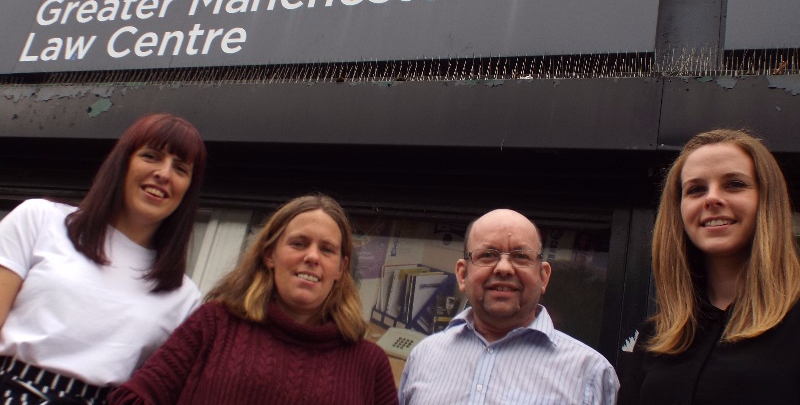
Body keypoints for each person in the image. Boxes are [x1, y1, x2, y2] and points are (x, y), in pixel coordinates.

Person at [108, 194, 399, 405]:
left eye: (327, 250)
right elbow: (131, 398)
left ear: (340, 269)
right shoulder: (214, 325)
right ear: (269, 255)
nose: (312, 257)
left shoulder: (369, 364)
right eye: (298, 243)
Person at [0, 113, 207, 404]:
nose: (164, 173)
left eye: (181, 168)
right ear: (122, 163)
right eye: (151, 156)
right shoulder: (39, 219)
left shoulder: (185, 297)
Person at [619, 129, 800, 404]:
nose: (711, 198)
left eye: (734, 184)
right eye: (695, 189)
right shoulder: (656, 336)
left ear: (767, 200)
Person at [399, 208, 619, 404]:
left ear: (543, 277)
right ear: (462, 274)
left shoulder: (590, 374)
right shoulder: (424, 356)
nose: (504, 268)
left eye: (521, 256)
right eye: (487, 255)